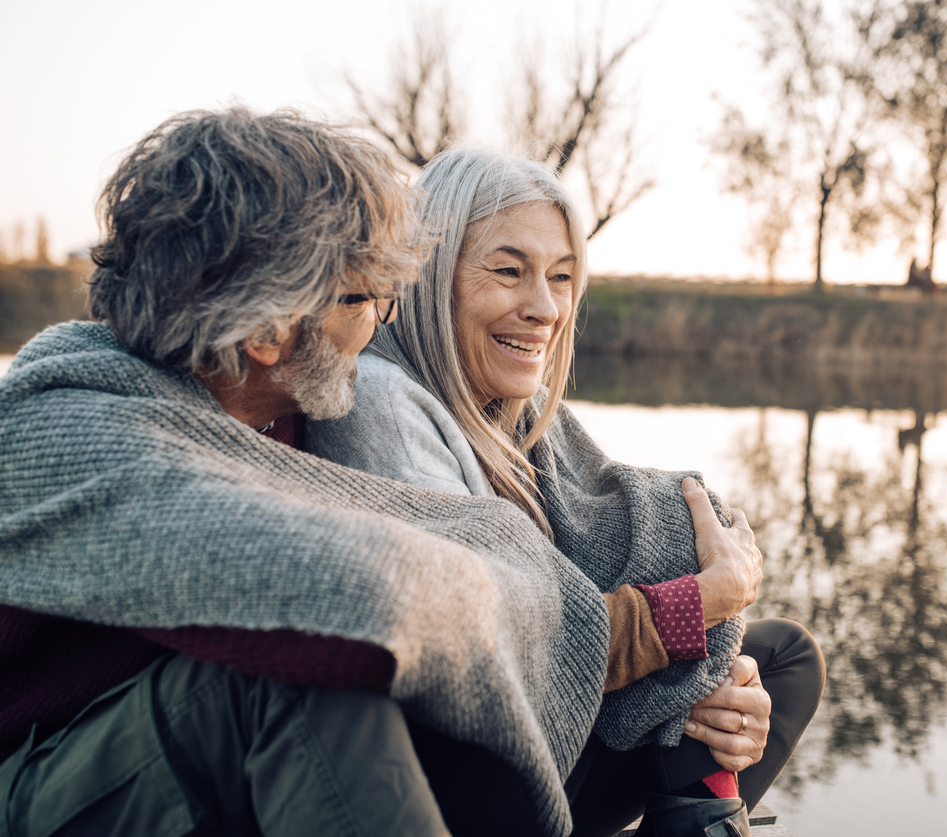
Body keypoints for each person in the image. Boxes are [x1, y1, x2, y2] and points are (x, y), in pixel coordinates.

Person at [0, 110, 766, 837]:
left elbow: (453, 564)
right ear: (268, 330)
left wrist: (684, 655)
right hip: (35, 781)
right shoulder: (77, 435)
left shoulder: (271, 410)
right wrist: (675, 616)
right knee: (310, 667)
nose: (386, 319)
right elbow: (377, 588)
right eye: (365, 295)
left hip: (178, 754)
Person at [306, 146, 827, 837]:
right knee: (699, 691)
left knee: (778, 660)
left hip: (545, 716)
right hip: (466, 768)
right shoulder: (382, 402)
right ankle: (702, 808)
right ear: (428, 275)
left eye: (561, 276)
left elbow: (579, 594)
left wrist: (707, 692)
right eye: (508, 270)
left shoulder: (509, 410)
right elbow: (501, 651)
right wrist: (700, 606)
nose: (545, 307)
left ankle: (700, 796)